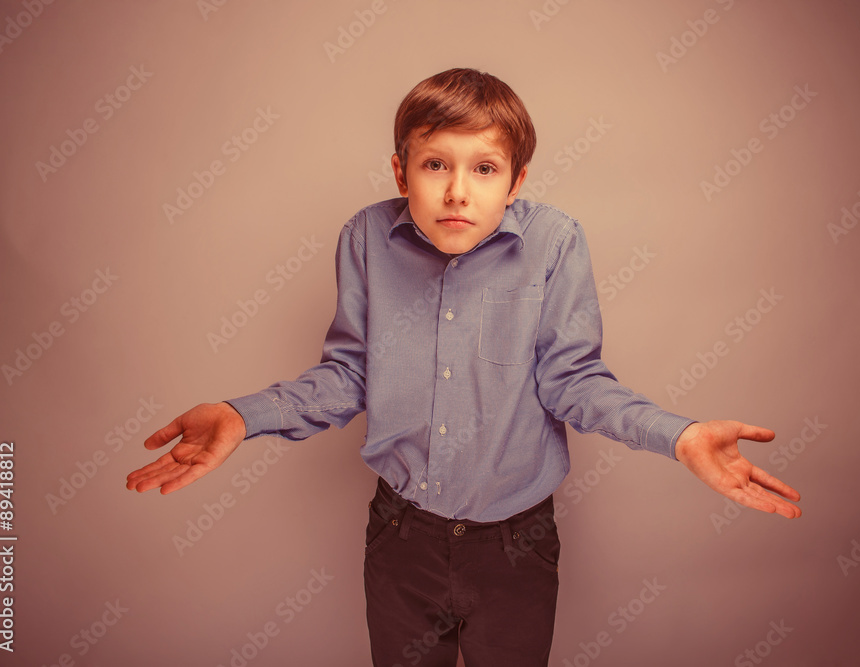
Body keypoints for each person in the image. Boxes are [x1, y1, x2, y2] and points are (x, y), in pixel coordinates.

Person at [126, 67, 801, 666]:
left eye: (483, 169)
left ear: (516, 181)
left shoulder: (554, 243)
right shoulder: (366, 238)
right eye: (434, 165)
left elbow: (573, 381)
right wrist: (243, 416)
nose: (457, 192)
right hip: (400, 536)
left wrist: (679, 435)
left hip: (516, 542)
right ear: (401, 172)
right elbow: (350, 374)